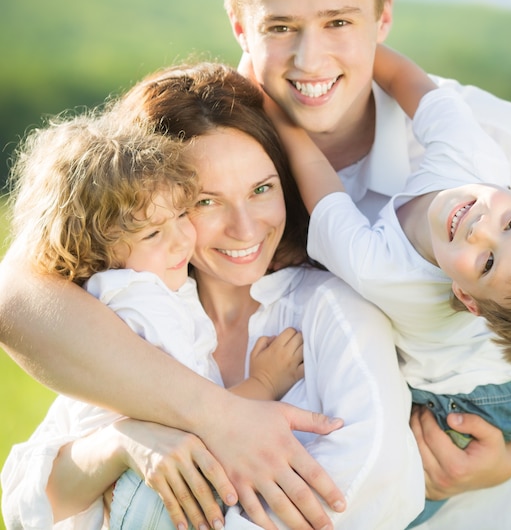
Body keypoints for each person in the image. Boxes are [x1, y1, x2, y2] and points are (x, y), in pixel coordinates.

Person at [0, 0, 511, 528]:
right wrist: (210, 417)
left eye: (339, 21)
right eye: (281, 26)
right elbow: (19, 297)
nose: (310, 59)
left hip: (486, 508)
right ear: (240, 26)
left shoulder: (492, 138)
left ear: (384, 17)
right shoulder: (201, 139)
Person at [1, 62, 424, 530]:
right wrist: (122, 442)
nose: (245, 228)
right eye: (205, 201)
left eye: (262, 189)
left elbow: (370, 489)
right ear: (151, 202)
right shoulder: (138, 307)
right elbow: (26, 503)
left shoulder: (331, 313)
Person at [265, 43, 511, 526]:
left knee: (398, 498)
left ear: (466, 297)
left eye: (487, 262)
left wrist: (267, 97)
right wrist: (342, 44)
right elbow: (410, 82)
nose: (481, 226)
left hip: (477, 404)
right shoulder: (474, 154)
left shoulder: (383, 271)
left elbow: (314, 174)